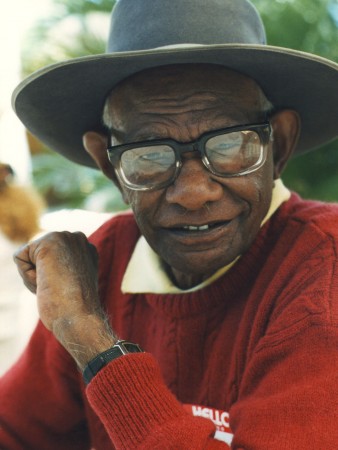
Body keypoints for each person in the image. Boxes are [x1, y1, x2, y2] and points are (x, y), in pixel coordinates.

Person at [1, 0, 338, 448]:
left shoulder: (322, 271)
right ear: (109, 166)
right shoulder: (103, 262)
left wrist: (91, 338)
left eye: (229, 144)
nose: (194, 192)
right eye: (149, 155)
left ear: (279, 149)